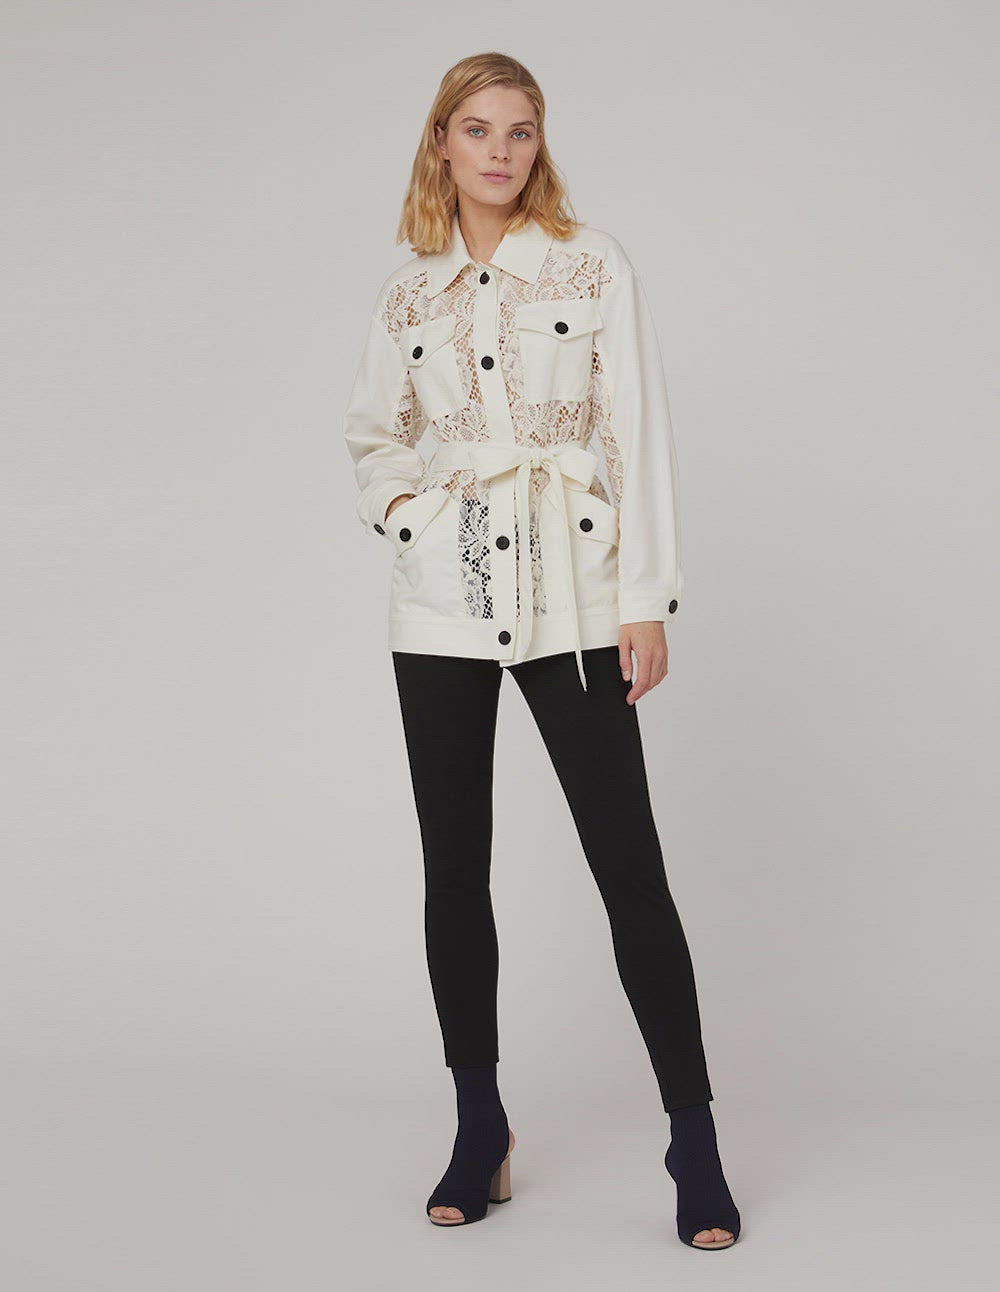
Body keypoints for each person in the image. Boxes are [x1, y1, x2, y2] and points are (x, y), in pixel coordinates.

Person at [343, 51, 742, 1250]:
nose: (500, 151)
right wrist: (412, 518)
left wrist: (644, 600)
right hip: (442, 605)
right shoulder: (408, 294)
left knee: (629, 868)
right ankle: (480, 1124)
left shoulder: (589, 262)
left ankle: (693, 1137)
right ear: (441, 143)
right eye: (477, 130)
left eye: (519, 130)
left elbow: (639, 431)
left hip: (574, 596)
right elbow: (373, 433)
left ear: (538, 142)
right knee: (452, 871)